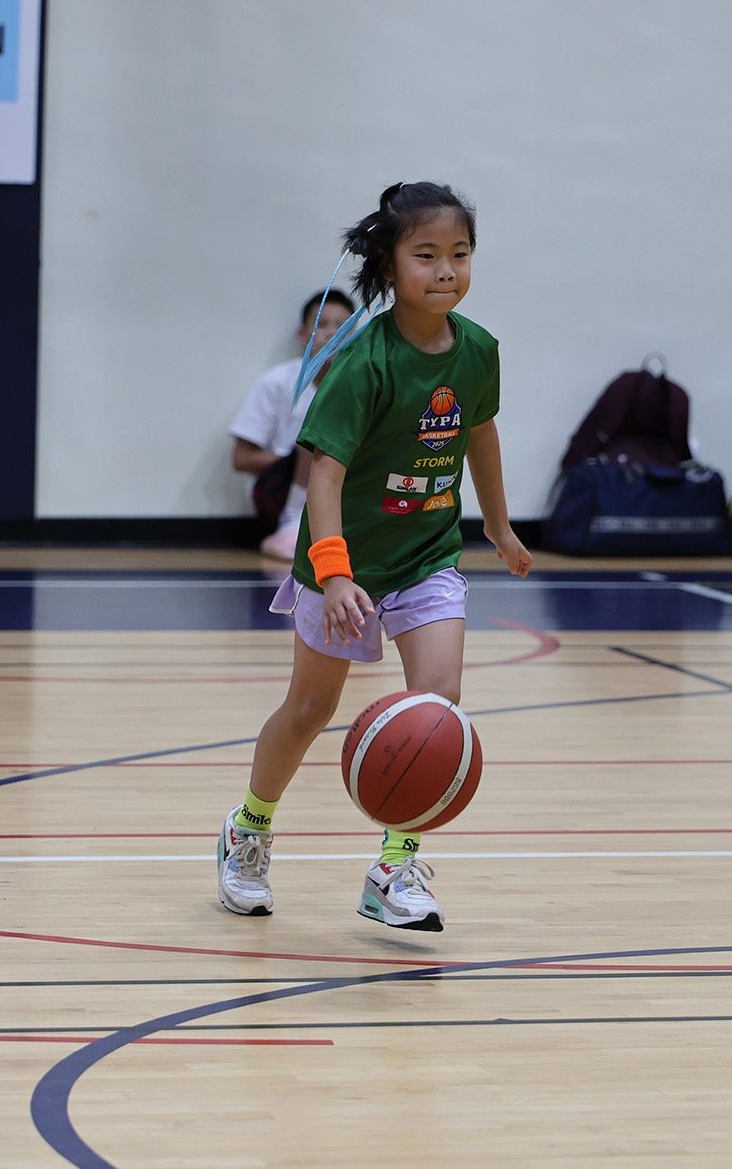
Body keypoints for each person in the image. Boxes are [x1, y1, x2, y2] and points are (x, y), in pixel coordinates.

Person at [215, 182, 531, 931]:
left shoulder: (479, 350)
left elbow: (480, 433)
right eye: (427, 255)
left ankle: (393, 866)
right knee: (309, 710)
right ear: (389, 266)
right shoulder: (362, 360)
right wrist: (334, 573)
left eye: (460, 254)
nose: (446, 269)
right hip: (344, 561)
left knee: (436, 705)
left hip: (428, 554)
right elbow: (323, 476)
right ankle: (248, 829)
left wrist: (499, 526)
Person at [229, 290, 355, 560]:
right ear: (302, 334)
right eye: (322, 324)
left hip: (342, 486)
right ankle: (294, 522)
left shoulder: (363, 385)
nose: (331, 334)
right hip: (279, 490)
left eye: (342, 326)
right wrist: (298, 461)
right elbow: (241, 458)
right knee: (316, 441)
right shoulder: (276, 382)